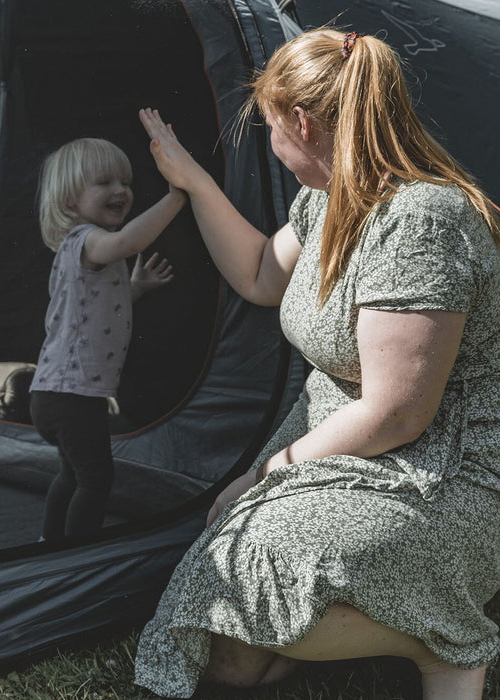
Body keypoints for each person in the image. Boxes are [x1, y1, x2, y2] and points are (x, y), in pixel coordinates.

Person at [134, 27, 500, 699]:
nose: (271, 143)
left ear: (301, 122)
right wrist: (189, 179)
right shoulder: (325, 200)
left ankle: (444, 646)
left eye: (270, 125)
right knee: (231, 653)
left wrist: (261, 474)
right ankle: (369, 619)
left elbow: (397, 413)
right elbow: (255, 274)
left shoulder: (420, 222)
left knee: (248, 566)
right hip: (354, 451)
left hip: (445, 471)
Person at [30, 137, 186, 542]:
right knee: (97, 479)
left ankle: (51, 542)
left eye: (126, 181)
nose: (121, 191)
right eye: (104, 182)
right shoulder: (90, 240)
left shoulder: (76, 251)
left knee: (73, 475)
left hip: (53, 395)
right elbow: (127, 242)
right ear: (69, 200)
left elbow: (91, 309)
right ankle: (79, 552)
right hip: (73, 397)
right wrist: (176, 197)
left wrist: (133, 287)